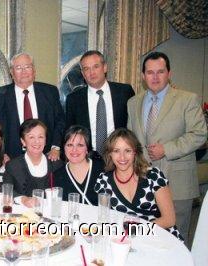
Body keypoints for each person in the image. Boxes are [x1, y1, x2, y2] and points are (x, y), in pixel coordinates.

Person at [127, 52, 207, 244]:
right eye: (150, 72)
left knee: (176, 240)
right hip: (143, 183)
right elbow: (131, 140)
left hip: (177, 184)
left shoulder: (187, 99)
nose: (155, 77)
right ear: (143, 76)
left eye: (160, 72)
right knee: (146, 240)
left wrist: (167, 149)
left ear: (169, 73)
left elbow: (199, 133)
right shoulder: (133, 102)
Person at [94, 128, 182, 240]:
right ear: (110, 153)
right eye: (116, 151)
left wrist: (137, 231)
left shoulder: (153, 176)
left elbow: (169, 219)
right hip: (126, 239)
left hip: (160, 236)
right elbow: (104, 218)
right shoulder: (104, 181)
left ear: (135, 152)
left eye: (127, 151)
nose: (122, 157)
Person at [0, 52, 65, 161]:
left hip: (47, 156)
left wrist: (55, 147)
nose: (24, 71)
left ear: (34, 70)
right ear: (11, 72)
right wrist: (0, 154)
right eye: (18, 68)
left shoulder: (50, 92)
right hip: (10, 159)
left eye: (28, 67)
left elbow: (60, 121)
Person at [65, 50, 134, 157]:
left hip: (119, 157)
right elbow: (70, 133)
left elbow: (133, 125)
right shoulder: (74, 99)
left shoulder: (124, 92)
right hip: (88, 158)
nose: (92, 72)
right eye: (86, 69)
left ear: (105, 67)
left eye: (96, 66)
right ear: (83, 73)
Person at [3, 119, 63, 207]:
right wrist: (23, 199)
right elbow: (7, 189)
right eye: (31, 137)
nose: (37, 141)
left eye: (40, 137)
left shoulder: (56, 164)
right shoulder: (13, 166)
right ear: (23, 141)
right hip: (23, 216)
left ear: (45, 140)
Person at [54, 125, 104, 205]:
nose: (74, 150)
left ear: (87, 148)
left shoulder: (103, 170)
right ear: (63, 148)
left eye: (80, 145)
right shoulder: (57, 176)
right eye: (70, 145)